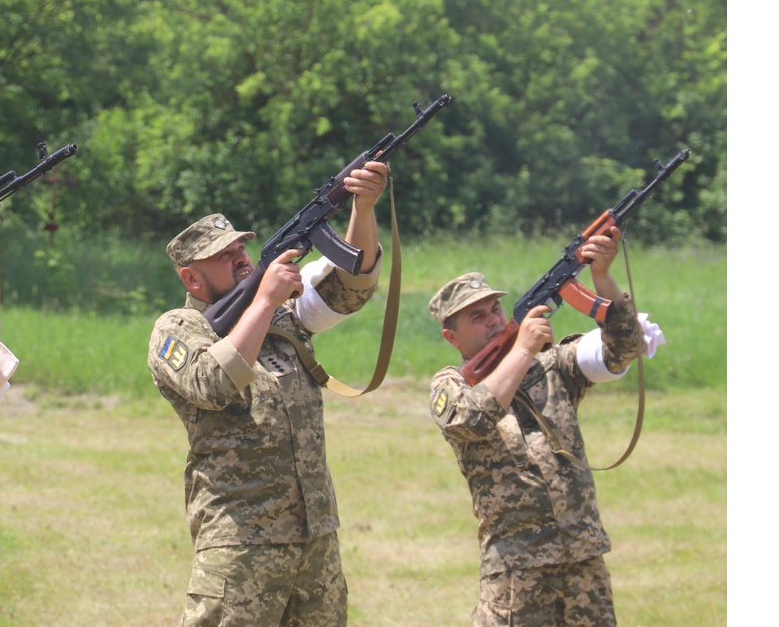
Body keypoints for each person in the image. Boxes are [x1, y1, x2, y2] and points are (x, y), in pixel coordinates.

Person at [147, 161, 390, 627]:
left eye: (242, 246)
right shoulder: (178, 329)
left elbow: (353, 286)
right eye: (224, 255)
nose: (241, 256)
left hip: (315, 538)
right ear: (192, 279)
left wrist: (363, 205)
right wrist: (263, 299)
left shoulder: (283, 317)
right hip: (240, 546)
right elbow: (211, 384)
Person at [427, 227, 651, 626]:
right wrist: (524, 348)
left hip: (583, 556)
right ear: (452, 336)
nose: (494, 321)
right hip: (516, 567)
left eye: (496, 309)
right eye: (477, 317)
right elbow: (470, 419)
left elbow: (625, 348)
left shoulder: (552, 366)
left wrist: (602, 277)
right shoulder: (451, 385)